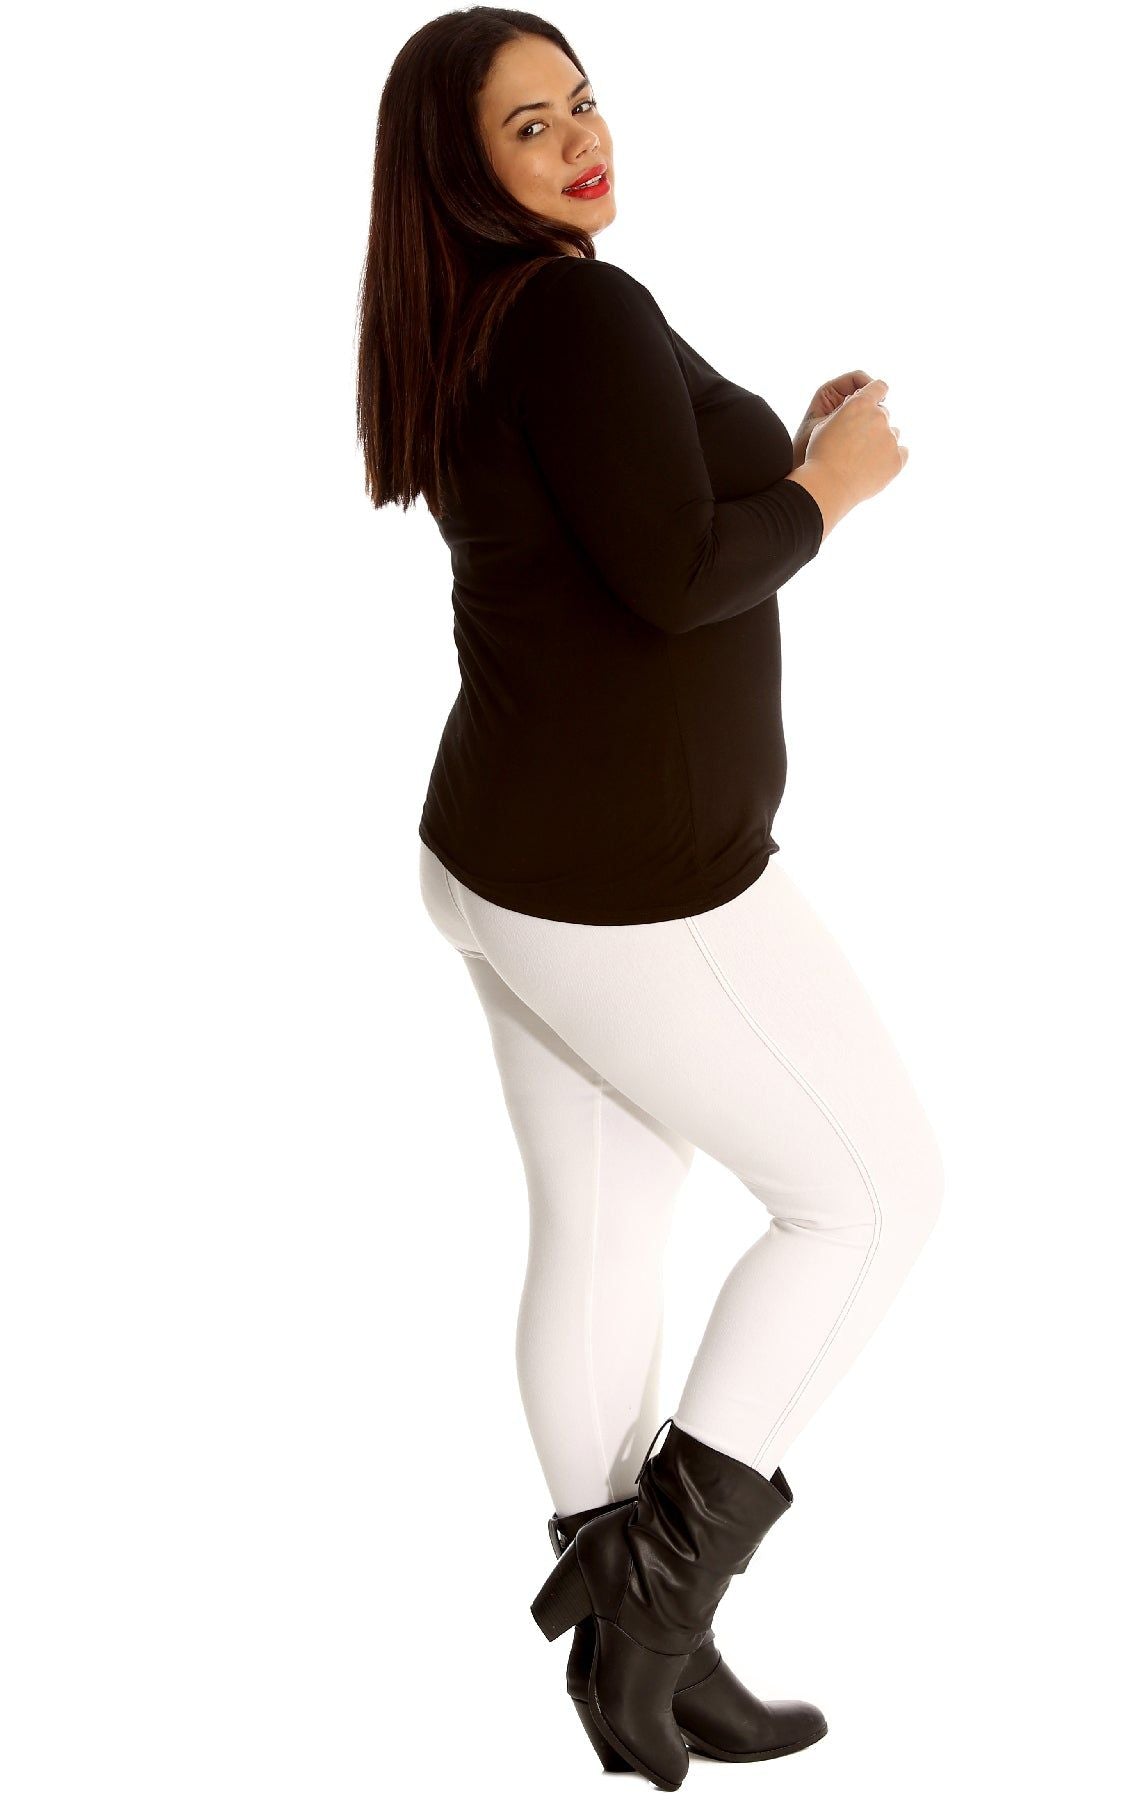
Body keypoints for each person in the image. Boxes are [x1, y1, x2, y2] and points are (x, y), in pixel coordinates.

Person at [358, 10, 943, 1786]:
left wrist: (787, 457)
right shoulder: (573, 313)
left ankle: (634, 1660)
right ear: (464, 172)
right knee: (869, 1201)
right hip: (633, 892)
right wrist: (832, 490)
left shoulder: (490, 315)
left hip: (508, 863)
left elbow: (632, 520)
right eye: (529, 127)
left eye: (583, 101)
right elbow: (680, 576)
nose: (579, 140)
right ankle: (648, 1611)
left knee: (604, 1226)